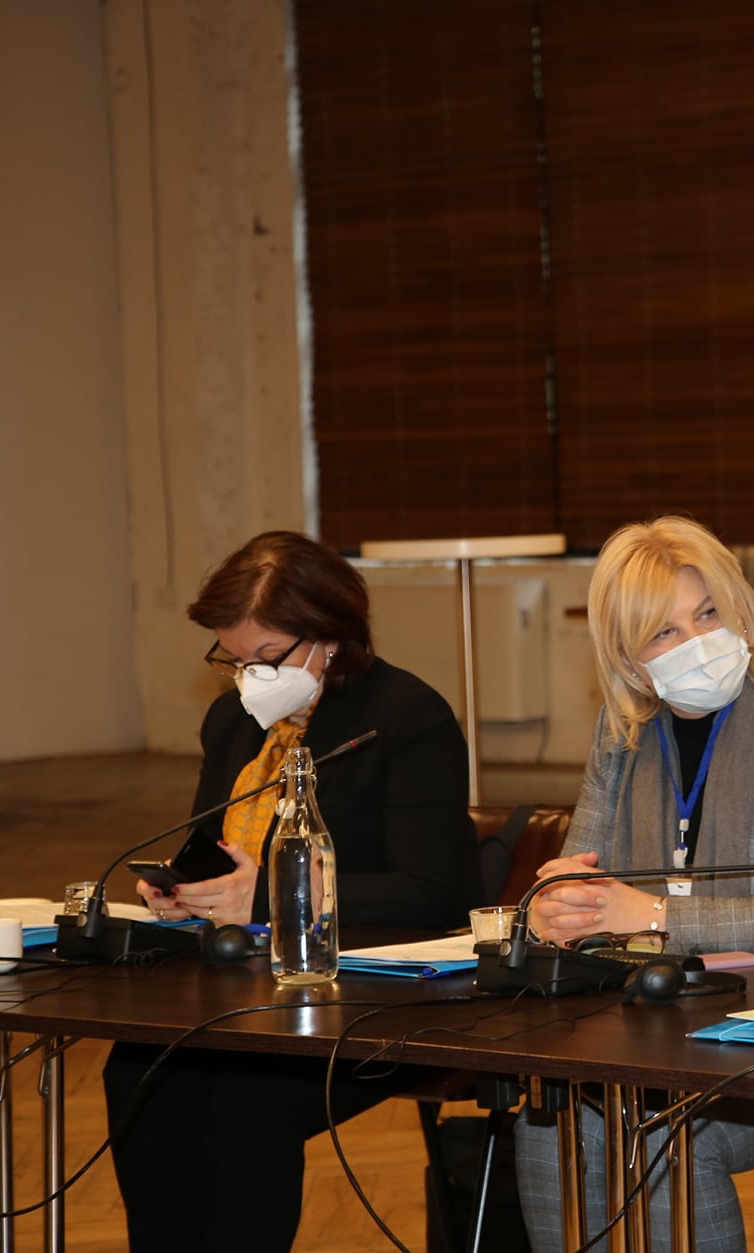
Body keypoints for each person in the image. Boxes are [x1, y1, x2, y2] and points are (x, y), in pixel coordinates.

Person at [511, 514, 754, 1252]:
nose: (698, 641)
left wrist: (654, 913)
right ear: (629, 661)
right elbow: (582, 886)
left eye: (708, 613)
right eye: (663, 632)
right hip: (675, 1029)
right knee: (550, 1124)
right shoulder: (622, 730)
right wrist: (556, 907)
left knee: (664, 1134)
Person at [101, 530, 480, 1253]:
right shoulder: (231, 722)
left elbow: (430, 893)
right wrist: (186, 888)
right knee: (138, 1066)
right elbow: (214, 849)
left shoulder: (407, 718)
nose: (250, 679)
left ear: (331, 636)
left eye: (268, 658)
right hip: (246, 981)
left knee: (245, 1088)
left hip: (377, 990)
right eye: (234, 660)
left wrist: (267, 899)